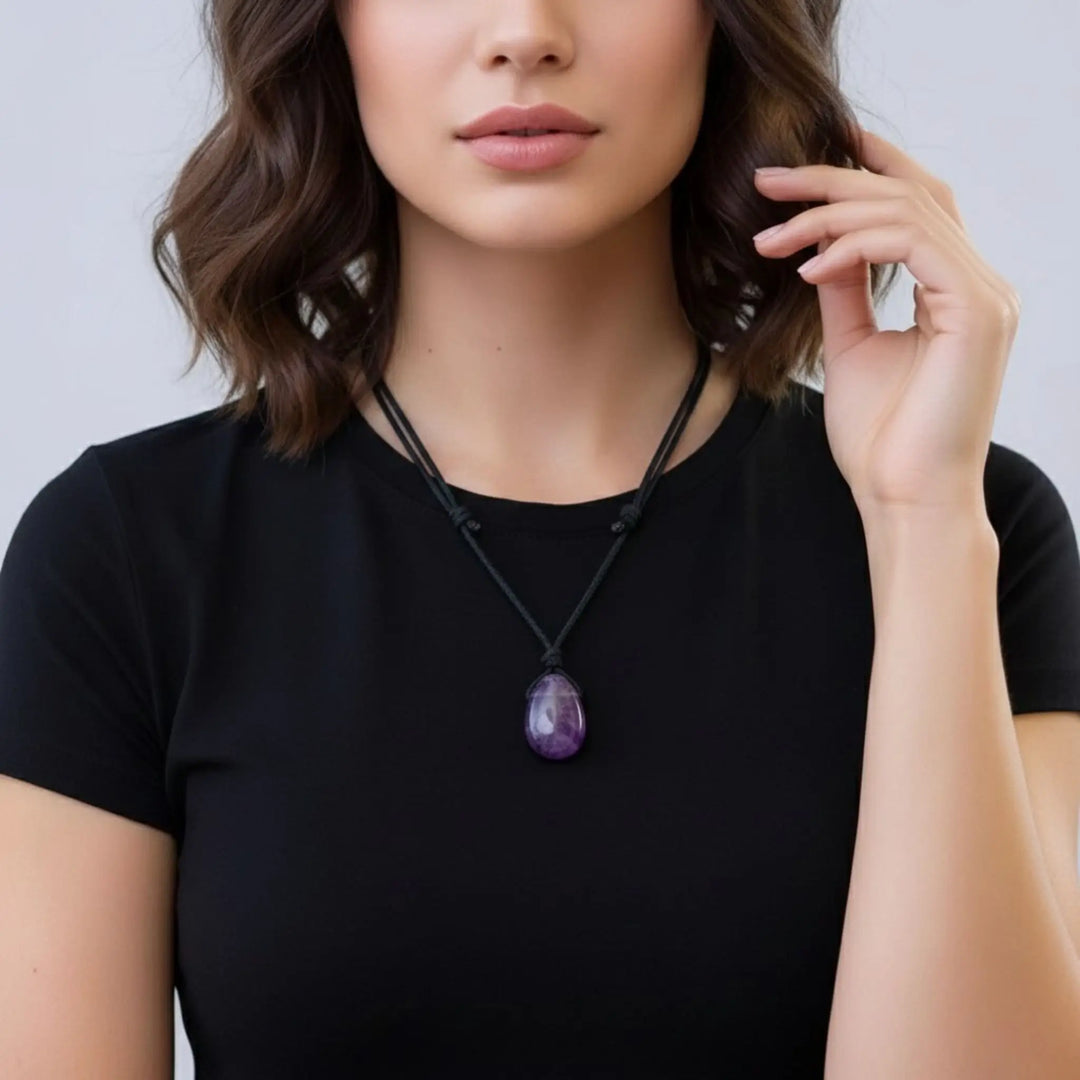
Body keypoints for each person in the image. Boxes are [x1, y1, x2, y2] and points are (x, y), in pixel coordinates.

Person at [2, 1, 1079, 1077]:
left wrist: (924, 524)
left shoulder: (970, 532)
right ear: (328, 24)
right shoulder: (125, 554)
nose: (525, 30)